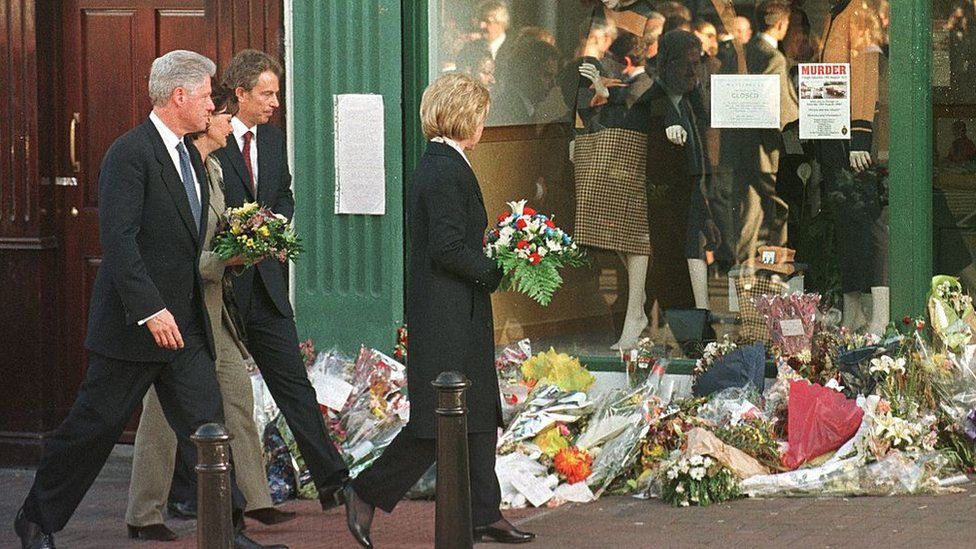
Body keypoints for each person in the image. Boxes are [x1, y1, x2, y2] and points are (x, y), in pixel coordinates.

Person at [12, 49, 282, 549]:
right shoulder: (129, 154)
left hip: (187, 328)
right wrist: (150, 309)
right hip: (134, 330)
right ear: (178, 96)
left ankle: (228, 531)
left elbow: (191, 240)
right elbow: (119, 241)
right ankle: (36, 519)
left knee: (209, 428)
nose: (211, 107)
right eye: (205, 96)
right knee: (93, 428)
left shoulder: (193, 156)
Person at [342, 73, 535, 548]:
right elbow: (447, 247)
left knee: (478, 418)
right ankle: (364, 493)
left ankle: (484, 514)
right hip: (447, 315)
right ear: (463, 116)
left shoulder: (445, 163)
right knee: (436, 425)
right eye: (482, 116)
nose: (485, 126)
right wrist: (493, 268)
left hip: (457, 312)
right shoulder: (445, 169)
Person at [124, 88, 295, 542]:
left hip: (215, 310)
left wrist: (252, 239)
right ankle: (144, 514)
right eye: (223, 116)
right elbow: (195, 254)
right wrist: (237, 256)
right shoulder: (180, 172)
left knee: (237, 397)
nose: (227, 124)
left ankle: (254, 501)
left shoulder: (213, 169)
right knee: (160, 414)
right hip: (179, 313)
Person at [214, 49, 350, 511]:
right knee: (202, 396)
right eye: (267, 93)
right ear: (240, 93)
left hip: (267, 285)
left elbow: (284, 195)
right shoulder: (210, 138)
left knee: (293, 384)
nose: (275, 102)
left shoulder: (272, 140)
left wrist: (274, 226)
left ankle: (332, 481)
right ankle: (190, 494)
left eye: (277, 93)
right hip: (223, 290)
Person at [733, 1, 797, 262]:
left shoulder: (744, 51)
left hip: (742, 145)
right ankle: (776, 267)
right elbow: (780, 109)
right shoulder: (774, 57)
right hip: (766, 148)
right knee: (781, 208)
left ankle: (743, 269)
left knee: (751, 211)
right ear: (781, 25)